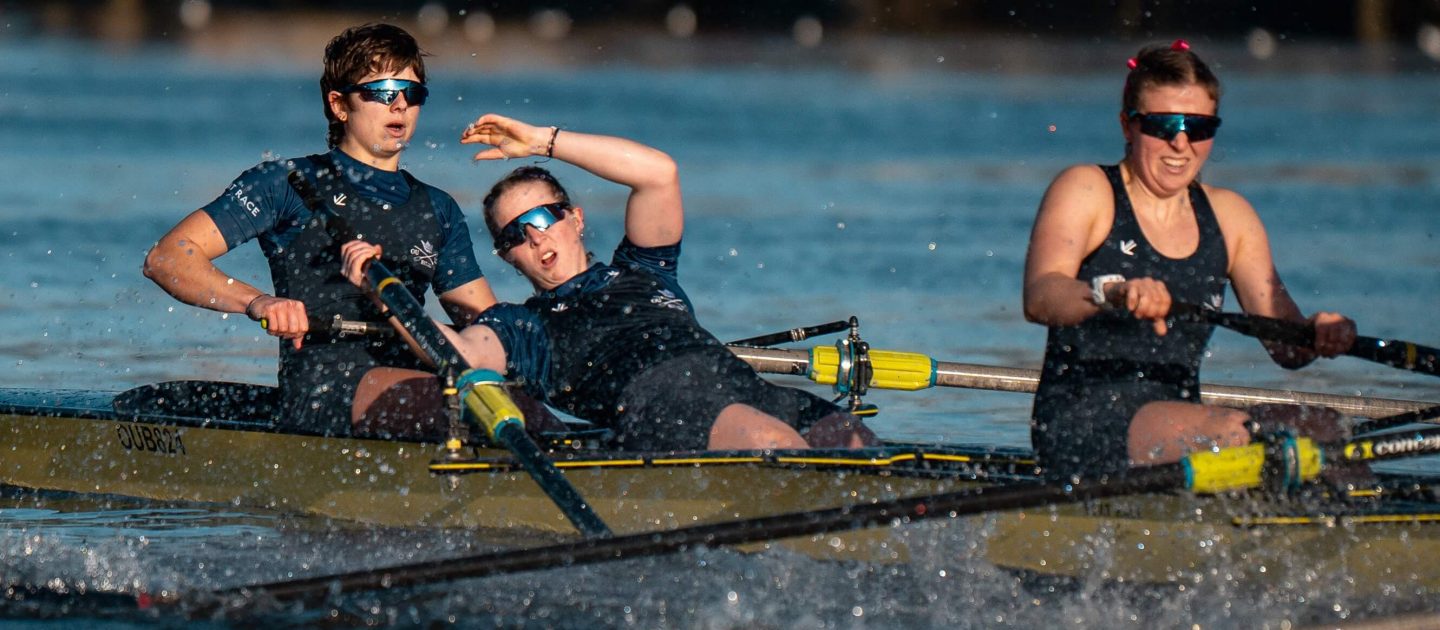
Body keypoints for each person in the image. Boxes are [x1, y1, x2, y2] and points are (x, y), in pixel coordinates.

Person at [340, 114, 876, 451]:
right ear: (508, 258)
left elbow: (658, 174)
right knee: (775, 443)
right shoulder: (522, 325)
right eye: (516, 235)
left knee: (856, 441)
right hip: (660, 407)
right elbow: (458, 353)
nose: (536, 237)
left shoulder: (645, 268)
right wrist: (385, 294)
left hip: (742, 385)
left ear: (575, 219)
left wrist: (543, 141)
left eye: (544, 217)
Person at [1021, 40, 1358, 480]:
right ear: (1128, 125)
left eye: (1198, 128)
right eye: (1163, 125)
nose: (1181, 143)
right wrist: (1112, 292)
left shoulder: (1231, 217)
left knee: (1327, 428)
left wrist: (1318, 333)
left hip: (1181, 420)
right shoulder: (1087, 190)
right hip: (1081, 420)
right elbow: (1041, 295)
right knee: (1236, 433)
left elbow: (1286, 346)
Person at [143, 23, 497, 438]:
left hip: (419, 385)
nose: (400, 104)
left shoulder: (439, 208)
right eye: (383, 91)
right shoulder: (288, 183)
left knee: (511, 400)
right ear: (339, 105)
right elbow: (168, 257)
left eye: (412, 93)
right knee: (459, 406)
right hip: (324, 389)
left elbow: (485, 328)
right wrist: (258, 302)